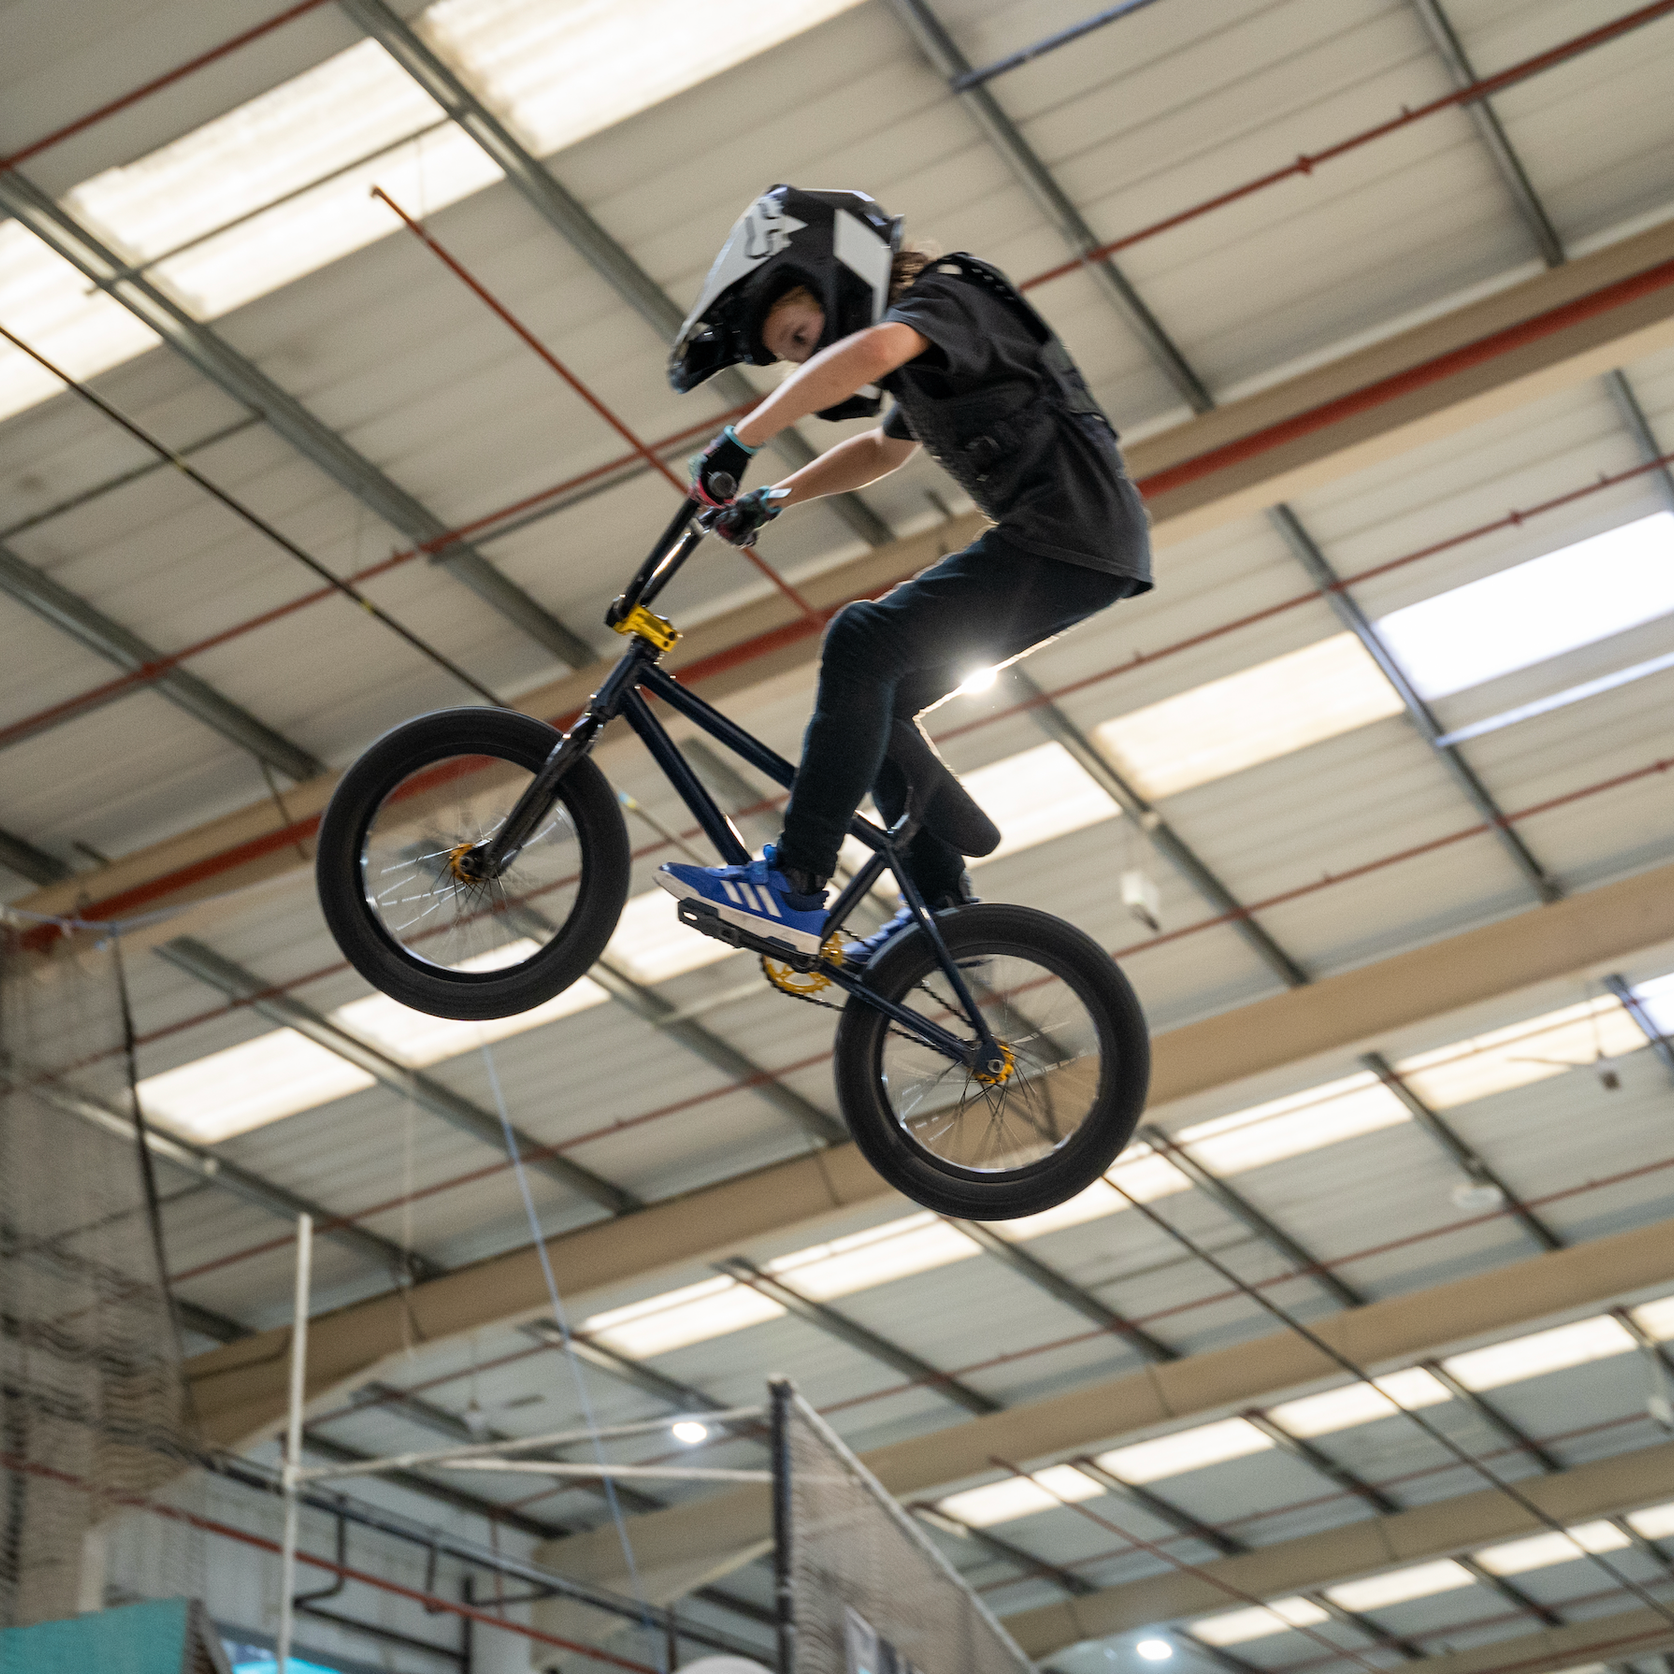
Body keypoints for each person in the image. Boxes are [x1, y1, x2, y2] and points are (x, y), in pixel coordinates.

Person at [654, 185, 1152, 961]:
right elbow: (884, 451)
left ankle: (793, 881)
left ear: (834, 277)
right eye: (794, 354)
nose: (809, 362)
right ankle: (945, 906)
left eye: (800, 334)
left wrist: (742, 437)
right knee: (875, 697)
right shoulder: (923, 358)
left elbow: (876, 350)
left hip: (1069, 532)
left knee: (863, 639)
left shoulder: (947, 301)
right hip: (1076, 545)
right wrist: (773, 497)